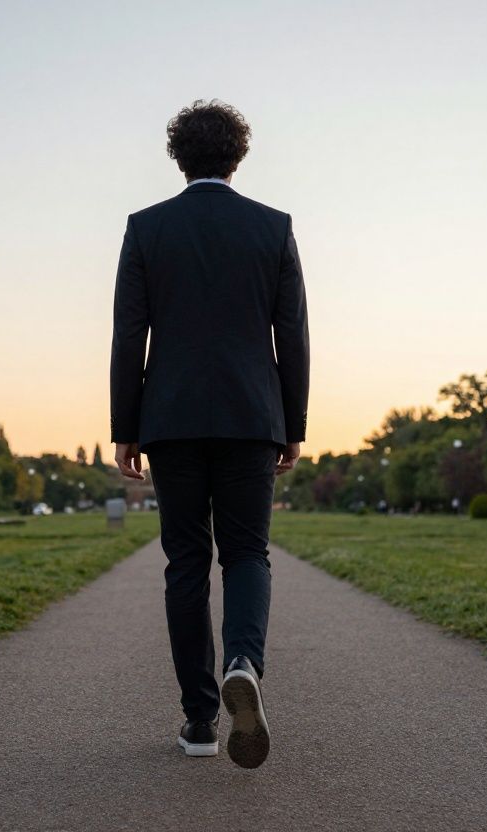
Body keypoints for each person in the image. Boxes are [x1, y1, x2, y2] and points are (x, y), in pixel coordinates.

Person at [109, 99, 310, 769]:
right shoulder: (272, 228)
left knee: (186, 565)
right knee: (248, 554)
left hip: (171, 418)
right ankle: (244, 661)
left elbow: (128, 335)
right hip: (253, 417)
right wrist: (293, 424)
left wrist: (125, 426)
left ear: (177, 156)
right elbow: (293, 336)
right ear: (238, 157)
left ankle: (199, 721)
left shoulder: (146, 229)